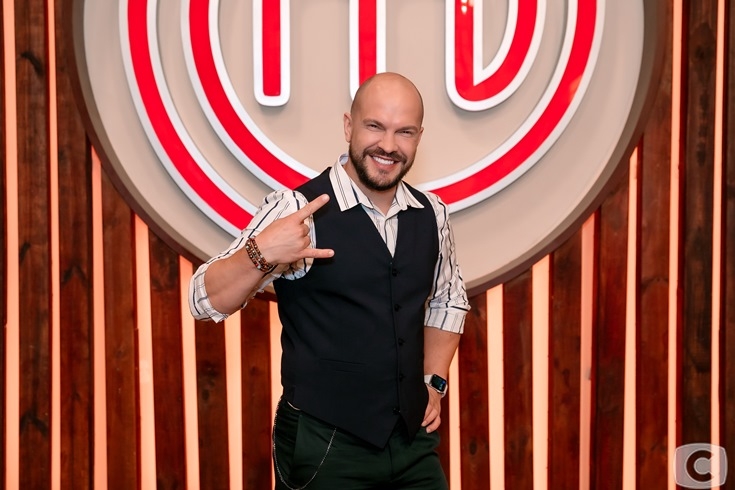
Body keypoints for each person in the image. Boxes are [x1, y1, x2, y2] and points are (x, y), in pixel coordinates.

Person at [189, 72, 469, 489]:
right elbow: (203, 299)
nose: (388, 145)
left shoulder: (433, 213)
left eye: (404, 132)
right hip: (325, 444)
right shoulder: (296, 208)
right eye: (375, 126)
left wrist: (434, 382)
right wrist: (261, 252)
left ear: (419, 137)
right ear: (348, 126)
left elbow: (449, 300)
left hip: (413, 443)